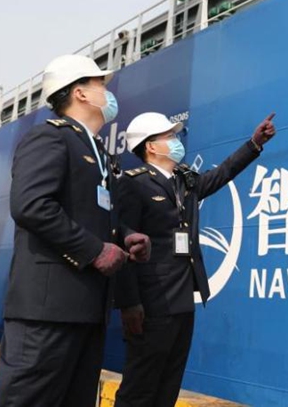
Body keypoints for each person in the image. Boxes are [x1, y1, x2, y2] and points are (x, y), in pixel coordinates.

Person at [0, 54, 151, 407]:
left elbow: (93, 213)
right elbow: (31, 205)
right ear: (80, 93)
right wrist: (95, 251)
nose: (108, 94)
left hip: (87, 309)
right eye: (101, 85)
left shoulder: (99, 153)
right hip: (47, 312)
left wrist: (124, 235)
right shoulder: (50, 138)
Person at [113, 111, 276, 407]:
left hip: (182, 300)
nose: (176, 142)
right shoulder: (133, 184)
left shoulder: (184, 181)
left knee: (168, 384)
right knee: (140, 386)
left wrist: (253, 144)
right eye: (169, 137)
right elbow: (122, 246)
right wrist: (128, 304)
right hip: (150, 304)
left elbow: (221, 174)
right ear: (150, 146)